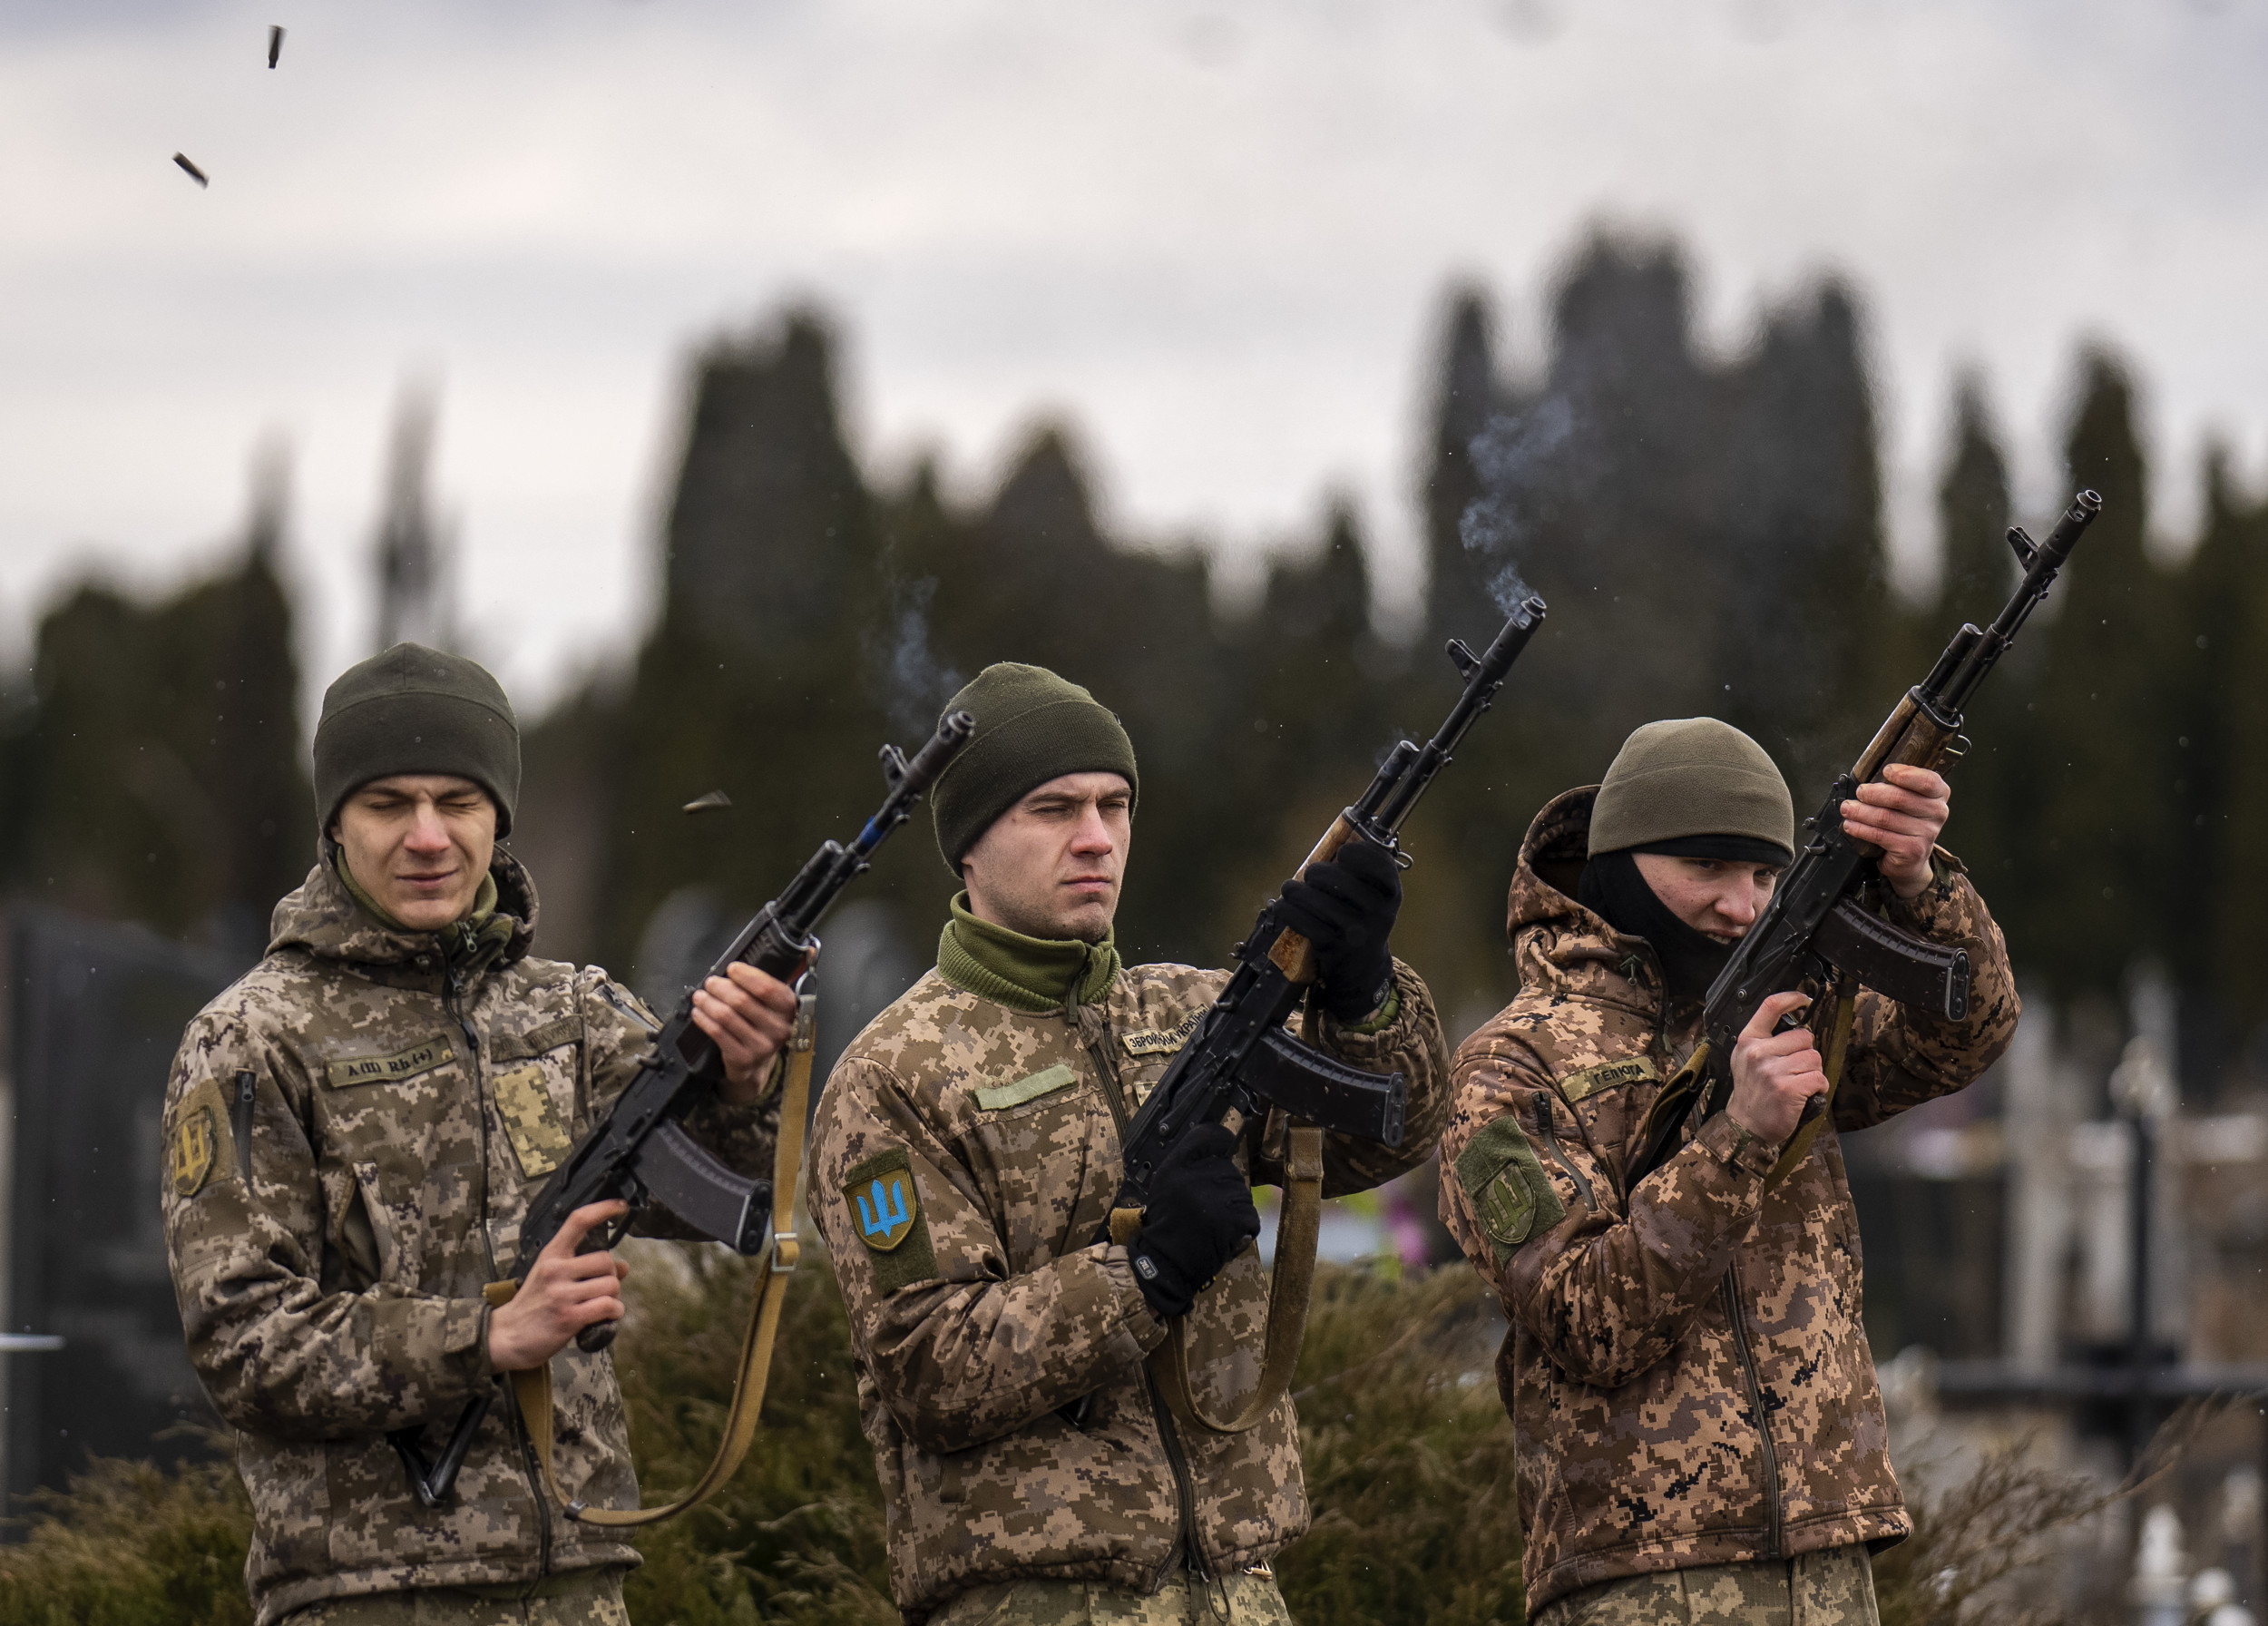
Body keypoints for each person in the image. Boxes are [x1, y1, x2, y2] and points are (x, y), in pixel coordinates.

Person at [161, 644, 799, 1626]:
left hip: (578, 1584)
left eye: (457, 801)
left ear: (498, 816)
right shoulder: (251, 1039)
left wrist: (749, 1083)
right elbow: (242, 1338)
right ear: (335, 821)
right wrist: (485, 1337)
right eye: (389, 804)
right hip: (366, 1597)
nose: (427, 836)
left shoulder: (574, 1011)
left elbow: (713, 1199)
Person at [807, 662, 1452, 1626]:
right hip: (1035, 1600)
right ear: (970, 845)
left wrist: (1365, 994)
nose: (1096, 838)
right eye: (1053, 808)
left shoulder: (1192, 1009)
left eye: (1115, 805)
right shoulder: (896, 1075)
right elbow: (924, 1360)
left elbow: (1382, 1137)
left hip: (1240, 1592)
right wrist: (1140, 1273)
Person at [1437, 718, 2019, 1626]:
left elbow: (1961, 1034)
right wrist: (1740, 1137)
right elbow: (1588, 1315)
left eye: (1762, 874)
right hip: (1639, 1581)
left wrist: (1918, 882)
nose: (1741, 906)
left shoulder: (1793, 1015)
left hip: (1828, 1560)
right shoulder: (1508, 1069)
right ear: (1620, 865)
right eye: (1705, 867)